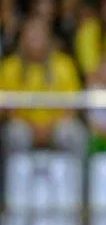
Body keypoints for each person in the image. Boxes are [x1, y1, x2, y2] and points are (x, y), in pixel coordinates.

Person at [0, 16, 85, 155]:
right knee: (15, 132)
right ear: (22, 40)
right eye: (31, 36)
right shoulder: (9, 67)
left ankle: (75, 170)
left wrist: (49, 127)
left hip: (56, 126)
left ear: (48, 39)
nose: (35, 41)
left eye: (40, 36)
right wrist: (31, 126)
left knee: (71, 131)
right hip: (23, 126)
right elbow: (4, 108)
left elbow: (73, 105)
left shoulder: (64, 65)